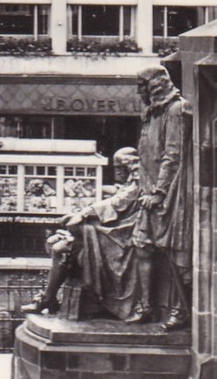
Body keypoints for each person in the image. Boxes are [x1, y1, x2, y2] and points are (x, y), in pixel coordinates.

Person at [22, 147, 142, 320]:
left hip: (119, 236)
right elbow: (114, 200)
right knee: (58, 245)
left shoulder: (137, 184)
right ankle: (49, 298)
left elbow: (118, 203)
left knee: (61, 249)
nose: (117, 172)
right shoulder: (129, 183)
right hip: (107, 232)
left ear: (129, 166)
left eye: (119, 168)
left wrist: (84, 214)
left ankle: (48, 299)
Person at [130, 65, 193, 330]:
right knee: (143, 246)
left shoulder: (177, 109)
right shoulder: (151, 113)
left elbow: (173, 155)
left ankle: (181, 310)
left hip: (171, 194)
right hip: (148, 192)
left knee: (175, 253)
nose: (138, 91)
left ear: (154, 86)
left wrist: (159, 192)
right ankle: (147, 306)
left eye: (141, 86)